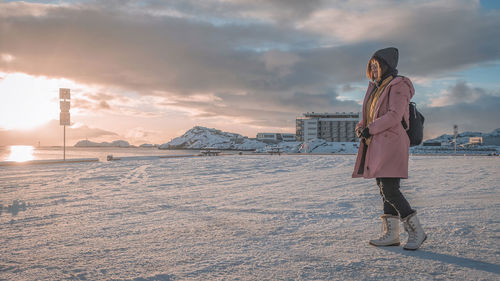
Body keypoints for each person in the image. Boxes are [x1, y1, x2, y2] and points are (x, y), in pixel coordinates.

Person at [352, 47, 427, 250]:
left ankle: (416, 231)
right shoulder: (376, 88)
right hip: (377, 143)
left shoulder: (398, 85)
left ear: (387, 66)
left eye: (376, 67)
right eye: (371, 67)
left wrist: (370, 129)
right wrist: (361, 128)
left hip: (392, 143)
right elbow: (368, 115)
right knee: (384, 190)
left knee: (390, 190)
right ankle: (391, 234)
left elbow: (395, 115)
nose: (374, 71)